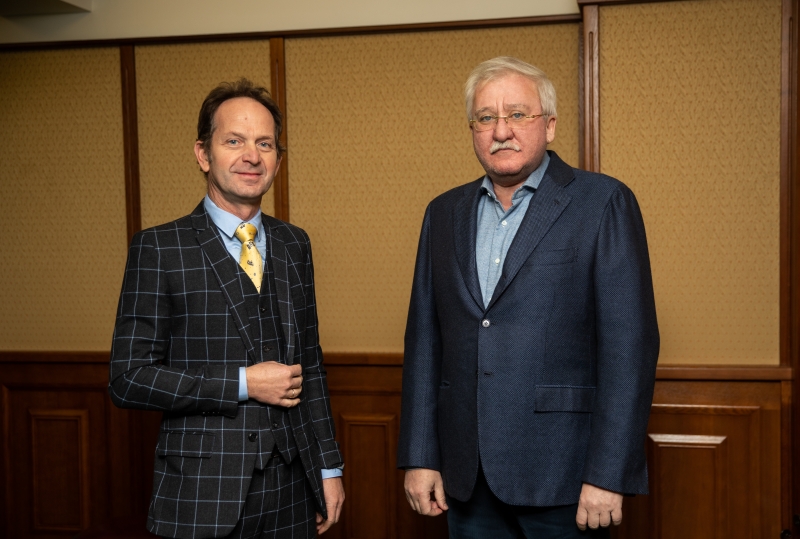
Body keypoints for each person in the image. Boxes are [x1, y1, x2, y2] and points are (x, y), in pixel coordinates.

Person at [397, 57, 659, 538]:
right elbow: (424, 343)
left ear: (550, 125)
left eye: (518, 114)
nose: (502, 131)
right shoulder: (443, 213)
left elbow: (630, 350)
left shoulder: (603, 202)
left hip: (566, 476)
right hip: (466, 475)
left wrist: (609, 474)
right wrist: (420, 456)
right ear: (473, 130)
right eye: (486, 118)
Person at [109, 79, 344, 539]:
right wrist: (243, 383)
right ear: (203, 154)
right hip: (203, 493)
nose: (251, 156)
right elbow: (128, 377)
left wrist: (329, 466)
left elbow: (311, 366)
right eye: (234, 141)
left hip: (293, 490)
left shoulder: (295, 244)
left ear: (278, 160)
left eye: (264, 144)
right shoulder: (159, 248)